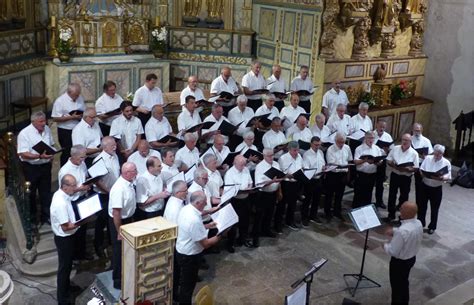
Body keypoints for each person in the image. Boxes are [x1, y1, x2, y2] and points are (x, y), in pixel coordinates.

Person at [174, 191, 220, 304]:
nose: (206, 204)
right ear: (198, 202)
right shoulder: (194, 219)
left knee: (183, 281)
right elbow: (205, 244)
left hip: (181, 249)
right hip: (190, 255)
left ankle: (177, 298)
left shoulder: (187, 209)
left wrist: (207, 226)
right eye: (205, 202)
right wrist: (221, 235)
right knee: (188, 286)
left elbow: (192, 228)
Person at [17, 111, 54, 225]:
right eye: (41, 121)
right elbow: (22, 153)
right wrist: (39, 156)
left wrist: (52, 153)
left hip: (45, 166)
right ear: (33, 122)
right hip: (31, 168)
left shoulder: (47, 129)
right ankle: (32, 219)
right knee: (31, 194)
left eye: (44, 120)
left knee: (46, 193)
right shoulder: (24, 134)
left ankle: (46, 217)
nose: (44, 123)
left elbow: (51, 144)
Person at [384, 201, 423, 305]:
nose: (399, 210)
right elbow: (408, 232)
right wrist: (395, 231)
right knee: (404, 283)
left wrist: (384, 245)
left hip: (399, 263)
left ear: (405, 213)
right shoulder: (418, 223)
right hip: (411, 259)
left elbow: (393, 251)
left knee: (396, 288)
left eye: (401, 209)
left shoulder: (403, 231)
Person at [57, 145, 92, 261]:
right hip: (72, 201)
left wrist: (88, 183)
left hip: (83, 198)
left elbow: (85, 176)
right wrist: (79, 189)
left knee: (83, 228)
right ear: (74, 156)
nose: (84, 159)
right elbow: (64, 190)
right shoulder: (65, 171)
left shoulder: (82, 163)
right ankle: (75, 255)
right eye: (81, 157)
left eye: (84, 157)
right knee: (76, 229)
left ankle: (82, 253)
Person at [51, 174, 82, 305]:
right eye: (73, 186)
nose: (75, 188)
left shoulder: (62, 195)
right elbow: (65, 227)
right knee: (64, 268)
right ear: (65, 186)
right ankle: (62, 299)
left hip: (68, 238)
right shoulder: (60, 202)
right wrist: (82, 221)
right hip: (64, 239)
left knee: (68, 266)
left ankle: (67, 287)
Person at [109, 162, 138, 289]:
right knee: (118, 250)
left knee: (127, 249)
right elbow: (116, 212)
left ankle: (128, 273)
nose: (137, 172)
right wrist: (119, 231)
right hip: (119, 222)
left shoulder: (129, 183)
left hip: (128, 219)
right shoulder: (118, 188)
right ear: (126, 173)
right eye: (134, 171)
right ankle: (118, 280)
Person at [93, 136, 120, 258]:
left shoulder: (115, 155)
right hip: (104, 195)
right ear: (104, 147)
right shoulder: (99, 160)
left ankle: (111, 242)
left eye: (115, 144)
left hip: (114, 193)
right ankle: (98, 245)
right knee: (101, 221)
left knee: (112, 218)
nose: (115, 147)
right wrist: (109, 191)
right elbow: (97, 181)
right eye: (112, 145)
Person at [418, 144, 451, 234]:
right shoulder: (428, 158)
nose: (437, 155)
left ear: (442, 154)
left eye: (439, 154)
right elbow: (421, 169)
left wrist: (441, 178)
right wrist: (423, 173)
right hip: (425, 186)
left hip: (436, 188)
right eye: (436, 153)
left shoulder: (446, 163)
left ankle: (432, 226)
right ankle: (420, 223)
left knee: (434, 208)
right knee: (422, 206)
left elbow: (448, 176)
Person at [386, 134, 419, 221]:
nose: (404, 142)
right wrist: (394, 165)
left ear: (410, 142)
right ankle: (391, 214)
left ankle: (402, 216)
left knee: (404, 197)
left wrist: (408, 169)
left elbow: (416, 168)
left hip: (406, 177)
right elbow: (388, 159)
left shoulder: (414, 153)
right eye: (403, 140)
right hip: (395, 174)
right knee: (392, 195)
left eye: (406, 140)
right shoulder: (395, 148)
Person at [224, 155, 253, 252]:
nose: (243, 167)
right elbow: (230, 190)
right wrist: (242, 190)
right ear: (234, 163)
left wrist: (249, 187)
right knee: (233, 224)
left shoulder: (245, 169)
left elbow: (250, 182)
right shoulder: (229, 174)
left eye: (244, 164)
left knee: (245, 221)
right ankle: (230, 244)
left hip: (246, 199)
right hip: (235, 201)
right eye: (241, 165)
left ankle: (242, 239)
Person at [52, 83, 85, 166]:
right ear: (69, 93)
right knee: (67, 152)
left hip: (78, 128)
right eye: (75, 95)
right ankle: (64, 171)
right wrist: (71, 117)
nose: (77, 97)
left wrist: (81, 115)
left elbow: (83, 110)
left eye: (78, 95)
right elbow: (55, 118)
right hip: (65, 130)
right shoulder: (60, 101)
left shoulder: (79, 97)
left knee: (78, 151)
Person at [254, 148, 282, 240]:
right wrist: (271, 181)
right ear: (264, 156)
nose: (271, 157)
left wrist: (279, 191)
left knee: (270, 213)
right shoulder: (260, 167)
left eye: (272, 155)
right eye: (269, 156)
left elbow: (280, 178)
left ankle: (267, 230)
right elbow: (259, 183)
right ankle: (256, 234)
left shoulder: (276, 164)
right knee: (260, 215)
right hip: (263, 194)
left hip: (273, 193)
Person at [324, 132, 353, 222]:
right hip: (333, 174)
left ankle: (337, 211)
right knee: (329, 194)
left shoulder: (347, 148)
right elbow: (331, 163)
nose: (341, 144)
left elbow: (349, 161)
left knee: (340, 194)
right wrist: (341, 166)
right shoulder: (330, 149)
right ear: (335, 140)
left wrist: (348, 174)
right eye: (339, 142)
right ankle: (327, 212)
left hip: (343, 174)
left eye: (343, 142)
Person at [276, 141, 304, 231]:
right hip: (286, 184)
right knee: (282, 205)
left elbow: (301, 168)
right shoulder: (283, 158)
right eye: (294, 150)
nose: (296, 152)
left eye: (297, 150)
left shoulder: (299, 156)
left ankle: (289, 221)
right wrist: (286, 175)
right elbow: (280, 173)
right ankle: (278, 224)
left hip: (296, 183)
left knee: (292, 204)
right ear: (289, 149)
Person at [352, 131, 384, 208]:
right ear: (365, 138)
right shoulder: (359, 148)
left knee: (368, 194)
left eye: (372, 138)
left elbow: (380, 162)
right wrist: (365, 160)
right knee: (358, 195)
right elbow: (355, 161)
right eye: (369, 138)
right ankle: (356, 212)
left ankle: (366, 212)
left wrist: (376, 162)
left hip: (372, 175)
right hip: (361, 175)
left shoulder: (377, 148)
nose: (371, 140)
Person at [135, 156, 170, 220]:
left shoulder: (159, 174)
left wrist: (164, 190)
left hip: (161, 210)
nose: (162, 167)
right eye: (159, 166)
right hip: (149, 214)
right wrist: (158, 196)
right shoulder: (142, 181)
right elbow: (141, 203)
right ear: (151, 168)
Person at [302, 136, 326, 225]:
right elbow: (306, 168)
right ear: (311, 144)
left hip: (319, 178)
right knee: (307, 200)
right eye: (316, 145)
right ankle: (304, 217)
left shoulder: (320, 152)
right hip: (310, 180)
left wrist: (324, 168)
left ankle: (313, 216)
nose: (317, 147)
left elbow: (322, 163)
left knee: (317, 199)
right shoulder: (306, 154)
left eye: (319, 145)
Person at [411, 123, 434, 207]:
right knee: (405, 186)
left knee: (419, 186)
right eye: (415, 130)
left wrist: (425, 156)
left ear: (421, 130)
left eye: (418, 131)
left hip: (421, 164)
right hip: (410, 164)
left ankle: (418, 204)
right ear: (412, 130)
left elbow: (431, 154)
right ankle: (401, 204)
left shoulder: (426, 141)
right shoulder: (409, 139)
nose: (417, 132)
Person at [374, 120, 394, 209]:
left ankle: (379, 201)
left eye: (383, 127)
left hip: (382, 161)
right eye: (380, 126)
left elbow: (392, 149)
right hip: (372, 161)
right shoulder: (371, 134)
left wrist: (388, 150)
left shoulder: (387, 136)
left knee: (380, 183)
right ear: (376, 126)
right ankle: (365, 201)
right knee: (370, 182)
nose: (381, 128)